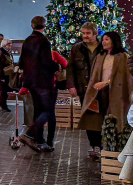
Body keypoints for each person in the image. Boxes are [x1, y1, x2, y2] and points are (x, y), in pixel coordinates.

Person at [79, 31, 132, 155]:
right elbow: (95, 74)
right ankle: (96, 146)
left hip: (115, 93)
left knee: (113, 119)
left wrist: (106, 83)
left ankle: (110, 147)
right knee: (95, 119)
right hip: (98, 92)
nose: (104, 42)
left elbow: (123, 77)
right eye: (103, 39)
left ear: (114, 41)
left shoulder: (122, 56)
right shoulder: (101, 56)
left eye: (107, 39)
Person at [18, 16, 60, 153]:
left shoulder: (27, 41)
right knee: (47, 111)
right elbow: (46, 62)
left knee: (38, 110)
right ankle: (29, 134)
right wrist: (57, 67)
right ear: (44, 26)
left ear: (32, 26)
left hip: (30, 81)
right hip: (43, 81)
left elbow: (22, 63)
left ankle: (38, 140)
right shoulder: (44, 41)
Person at [66, 22, 102, 158]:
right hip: (84, 89)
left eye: (88, 33)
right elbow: (70, 68)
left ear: (95, 34)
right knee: (89, 118)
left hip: (101, 90)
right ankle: (95, 146)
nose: (85, 36)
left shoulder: (103, 48)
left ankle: (102, 145)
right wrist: (71, 85)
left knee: (101, 117)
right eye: (83, 33)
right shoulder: (77, 48)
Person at [0, 38, 15, 112]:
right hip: (4, 74)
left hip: (7, 73)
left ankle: (2, 103)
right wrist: (0, 76)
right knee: (3, 90)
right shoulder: (1, 53)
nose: (10, 45)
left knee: (5, 90)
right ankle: (3, 104)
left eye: (11, 44)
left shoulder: (8, 53)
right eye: (8, 44)